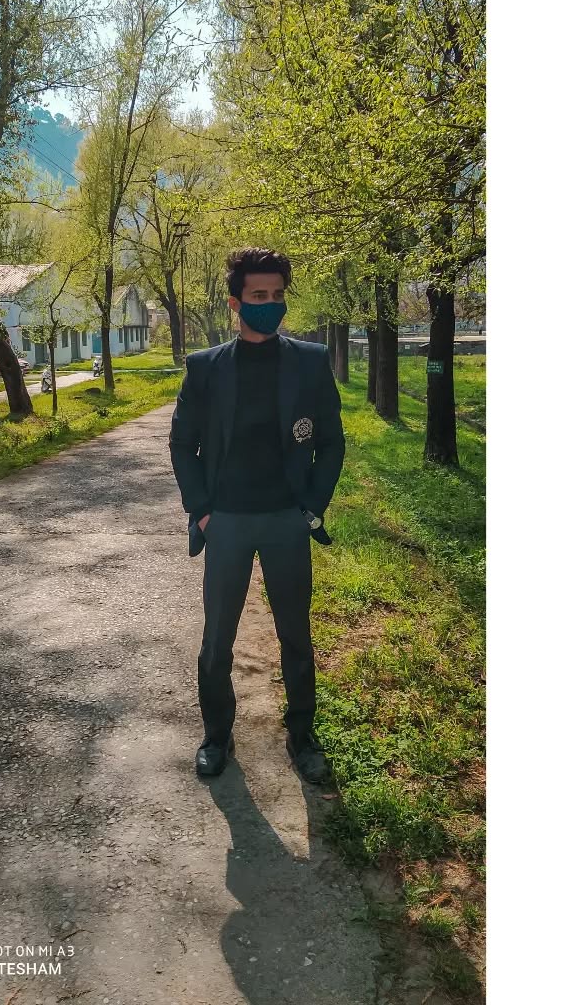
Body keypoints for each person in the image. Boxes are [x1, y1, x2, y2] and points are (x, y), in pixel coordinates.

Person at [168, 248, 346, 783]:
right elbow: (182, 444)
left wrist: (311, 509)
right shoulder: (205, 369)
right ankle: (216, 736)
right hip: (226, 522)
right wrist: (202, 512)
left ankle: (302, 736)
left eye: (277, 295)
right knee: (217, 639)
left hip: (287, 521)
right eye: (258, 296)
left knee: (296, 635)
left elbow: (331, 444)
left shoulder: (310, 362)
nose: (270, 304)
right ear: (235, 303)